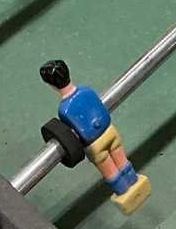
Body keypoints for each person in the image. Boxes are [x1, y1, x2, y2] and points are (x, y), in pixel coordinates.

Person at [39, 59, 150, 214]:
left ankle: (124, 193)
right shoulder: (87, 91)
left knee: (111, 171)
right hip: (109, 131)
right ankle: (134, 181)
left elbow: (76, 131)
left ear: (51, 85)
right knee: (122, 161)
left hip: (94, 144)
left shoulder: (64, 110)